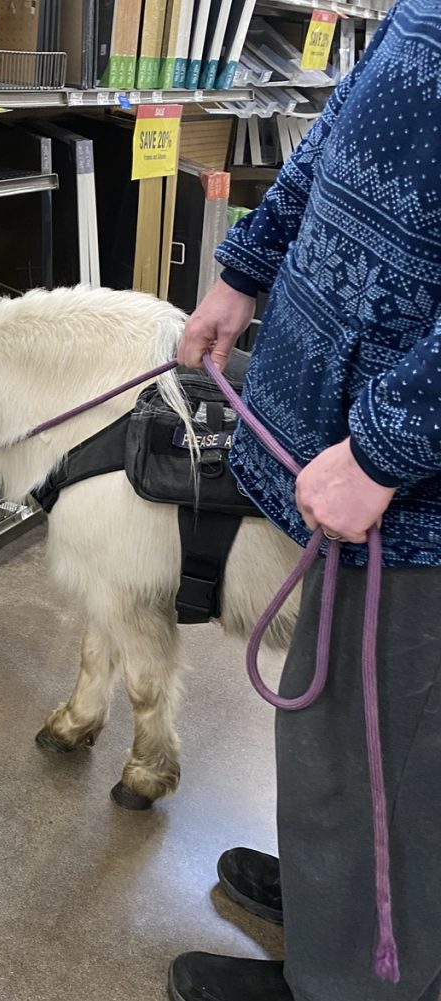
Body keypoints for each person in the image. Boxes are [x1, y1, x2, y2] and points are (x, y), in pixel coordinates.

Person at [172, 1, 441, 999]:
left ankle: (354, 977)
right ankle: (345, 896)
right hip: (357, 470)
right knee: (337, 724)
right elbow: (342, 125)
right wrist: (245, 271)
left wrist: (384, 446)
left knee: (394, 750)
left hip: (409, 494)